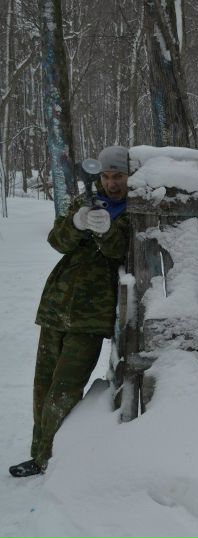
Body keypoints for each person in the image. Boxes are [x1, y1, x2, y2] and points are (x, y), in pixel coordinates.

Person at [9, 146, 131, 478]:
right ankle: (38, 451)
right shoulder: (86, 200)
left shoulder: (137, 210)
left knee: (65, 387)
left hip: (92, 315)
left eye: (117, 175)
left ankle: (49, 458)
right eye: (105, 176)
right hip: (57, 304)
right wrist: (78, 222)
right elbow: (57, 240)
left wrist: (107, 230)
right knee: (43, 384)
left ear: (129, 175)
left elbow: (121, 250)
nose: (111, 183)